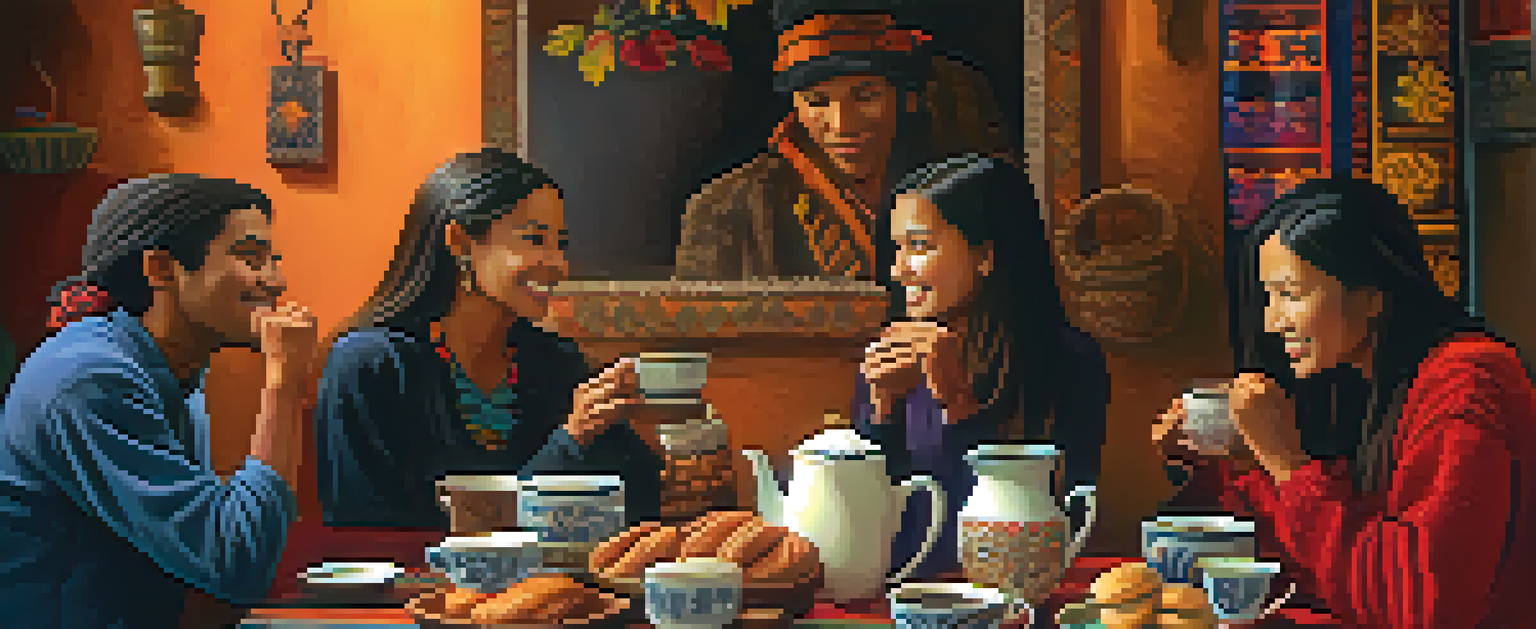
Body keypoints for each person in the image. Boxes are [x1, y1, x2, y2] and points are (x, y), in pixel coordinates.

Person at [1153, 177, 1536, 629]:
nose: (1274, 321)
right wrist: (1207, 468)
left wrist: (1283, 459)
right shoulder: (1370, 378)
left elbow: (1419, 618)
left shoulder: (1465, 382)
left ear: (1373, 293)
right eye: (1267, 297)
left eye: (1291, 293)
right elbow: (1313, 548)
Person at [0, 174, 315, 629]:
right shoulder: (89, 378)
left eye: (274, 258)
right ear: (161, 268)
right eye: (251, 256)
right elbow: (235, 561)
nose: (276, 280)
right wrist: (284, 383)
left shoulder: (166, 373)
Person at [316, 148, 662, 531]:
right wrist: (570, 441)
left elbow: (638, 507)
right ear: (461, 243)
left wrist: (686, 465)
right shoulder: (368, 366)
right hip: (421, 591)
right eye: (535, 239)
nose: (558, 263)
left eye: (559, 243)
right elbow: (365, 534)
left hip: (554, 588)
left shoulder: (553, 361)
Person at [855, 153, 1109, 580]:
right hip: (906, 595)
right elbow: (874, 528)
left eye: (918, 246)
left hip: (1013, 597)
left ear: (985, 256)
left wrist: (955, 398)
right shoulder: (892, 354)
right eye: (896, 248)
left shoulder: (1069, 360)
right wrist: (882, 413)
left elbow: (1051, 521)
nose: (898, 271)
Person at [674, 0, 1015, 287]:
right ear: (794, 103)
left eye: (866, 96)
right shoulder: (730, 211)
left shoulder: (971, 182)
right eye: (817, 101)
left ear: (908, 96)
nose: (843, 125)